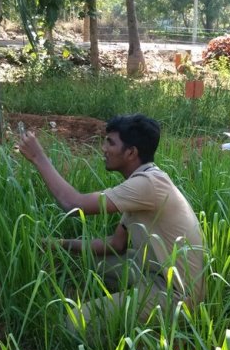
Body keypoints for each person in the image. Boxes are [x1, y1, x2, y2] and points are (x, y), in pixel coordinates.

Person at [18, 113, 204, 332]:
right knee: (88, 263)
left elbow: (72, 204)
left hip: (177, 295)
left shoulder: (148, 184)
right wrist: (60, 244)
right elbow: (115, 245)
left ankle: (131, 335)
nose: (104, 148)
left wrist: (39, 157)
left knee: (74, 323)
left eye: (111, 142)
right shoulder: (141, 183)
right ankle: (126, 304)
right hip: (154, 271)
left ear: (131, 152)